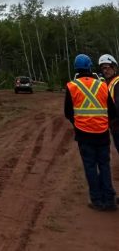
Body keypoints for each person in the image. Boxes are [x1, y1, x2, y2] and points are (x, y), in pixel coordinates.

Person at [64, 54, 117, 211]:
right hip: (102, 134)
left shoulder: (72, 86)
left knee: (90, 167)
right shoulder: (102, 86)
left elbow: (68, 112)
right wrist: (102, 122)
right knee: (104, 166)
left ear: (76, 68)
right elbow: (113, 112)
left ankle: (97, 200)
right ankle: (109, 200)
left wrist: (79, 123)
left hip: (84, 135)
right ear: (89, 67)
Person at [98, 53, 119, 155]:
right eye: (103, 68)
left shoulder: (117, 83)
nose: (105, 70)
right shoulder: (109, 83)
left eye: (107, 67)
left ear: (114, 67)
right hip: (114, 125)